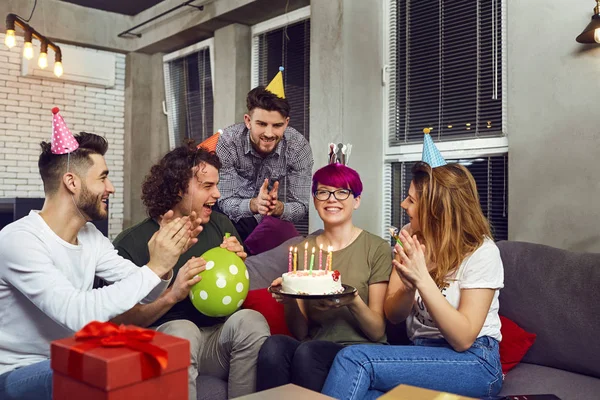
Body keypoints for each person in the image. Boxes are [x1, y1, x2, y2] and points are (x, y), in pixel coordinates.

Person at [0, 109, 199, 400]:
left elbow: (145, 292)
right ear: (71, 182)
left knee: (149, 355)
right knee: (96, 370)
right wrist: (153, 268)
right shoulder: (19, 241)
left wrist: (165, 260)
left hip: (68, 359)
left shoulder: (91, 237)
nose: (111, 188)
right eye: (103, 177)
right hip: (16, 373)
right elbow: (78, 313)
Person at [321, 135, 504, 399]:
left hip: (476, 360)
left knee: (354, 360)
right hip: (421, 351)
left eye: (411, 200)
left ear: (436, 209)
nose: (403, 205)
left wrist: (422, 279)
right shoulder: (410, 234)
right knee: (365, 393)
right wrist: (406, 287)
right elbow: (394, 315)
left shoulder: (482, 252)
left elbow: (463, 338)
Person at [112, 143, 270, 400]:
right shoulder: (131, 243)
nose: (217, 194)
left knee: (250, 321)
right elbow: (119, 324)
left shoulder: (220, 224)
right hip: (163, 344)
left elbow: (234, 289)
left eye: (217, 185)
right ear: (177, 188)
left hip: (212, 343)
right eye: (207, 186)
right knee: (183, 330)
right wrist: (173, 294)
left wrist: (237, 263)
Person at [256, 162, 392, 393]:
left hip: (360, 350)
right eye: (323, 192)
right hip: (313, 345)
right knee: (273, 345)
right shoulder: (303, 250)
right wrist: (289, 297)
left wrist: (351, 300)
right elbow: (300, 332)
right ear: (315, 200)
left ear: (356, 200)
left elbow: (378, 331)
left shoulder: (376, 248)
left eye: (342, 192)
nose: (331, 199)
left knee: (309, 352)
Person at [216, 69, 313, 241]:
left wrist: (278, 208)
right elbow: (224, 202)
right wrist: (254, 204)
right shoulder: (228, 142)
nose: (269, 133)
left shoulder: (298, 147)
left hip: (266, 220)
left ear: (286, 123)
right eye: (261, 124)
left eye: (277, 125)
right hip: (226, 217)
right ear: (248, 121)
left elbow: (301, 207)